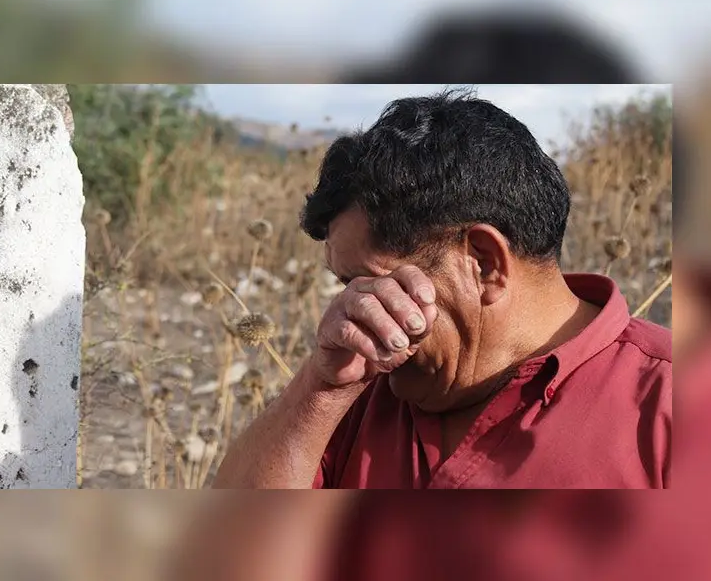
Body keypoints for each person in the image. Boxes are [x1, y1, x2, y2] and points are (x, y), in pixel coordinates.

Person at [213, 89, 672, 489]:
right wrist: (320, 389)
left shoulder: (677, 404)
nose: (348, 310)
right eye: (345, 286)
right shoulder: (353, 393)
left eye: (368, 282)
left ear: (483, 264)